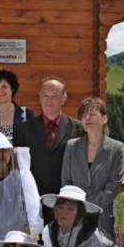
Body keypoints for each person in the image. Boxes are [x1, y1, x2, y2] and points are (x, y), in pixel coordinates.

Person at [13, 77, 81, 220]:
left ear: (64, 98)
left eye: (54, 96)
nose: (49, 100)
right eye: (45, 95)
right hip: (34, 203)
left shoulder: (78, 129)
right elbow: (19, 169)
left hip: (66, 203)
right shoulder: (23, 130)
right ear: (39, 97)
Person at [62, 97, 124, 239]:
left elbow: (113, 186)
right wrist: (76, 207)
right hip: (74, 218)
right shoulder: (71, 146)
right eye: (83, 115)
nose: (86, 118)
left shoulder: (116, 148)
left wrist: (86, 207)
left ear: (104, 119)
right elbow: (66, 181)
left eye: (92, 114)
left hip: (103, 218)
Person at [0, 130, 43, 240]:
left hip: (19, 241)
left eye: (5, 150)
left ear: (11, 153)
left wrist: (34, 237)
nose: (1, 154)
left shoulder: (23, 180)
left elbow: (34, 210)